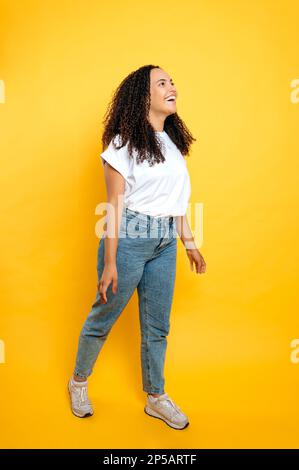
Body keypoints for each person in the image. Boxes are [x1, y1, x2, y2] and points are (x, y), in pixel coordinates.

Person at [68, 64, 206, 430]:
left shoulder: (173, 144)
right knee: (103, 316)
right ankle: (78, 382)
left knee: (157, 325)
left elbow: (177, 202)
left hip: (164, 241)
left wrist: (189, 244)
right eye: (162, 83)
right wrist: (110, 262)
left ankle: (156, 398)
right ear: (144, 96)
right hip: (128, 237)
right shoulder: (122, 142)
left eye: (172, 81)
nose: (172, 86)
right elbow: (112, 204)